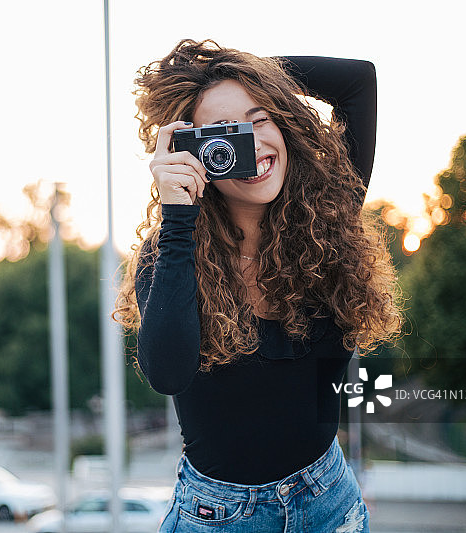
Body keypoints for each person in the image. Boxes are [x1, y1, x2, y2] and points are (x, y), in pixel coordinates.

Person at [113, 39, 403, 533]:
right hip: (220, 518)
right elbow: (167, 374)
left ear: (285, 122)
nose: (250, 143)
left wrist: (236, 69)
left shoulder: (327, 220)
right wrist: (178, 215)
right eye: (225, 134)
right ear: (193, 152)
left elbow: (358, 79)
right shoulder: (171, 256)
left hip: (330, 503)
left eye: (260, 118)